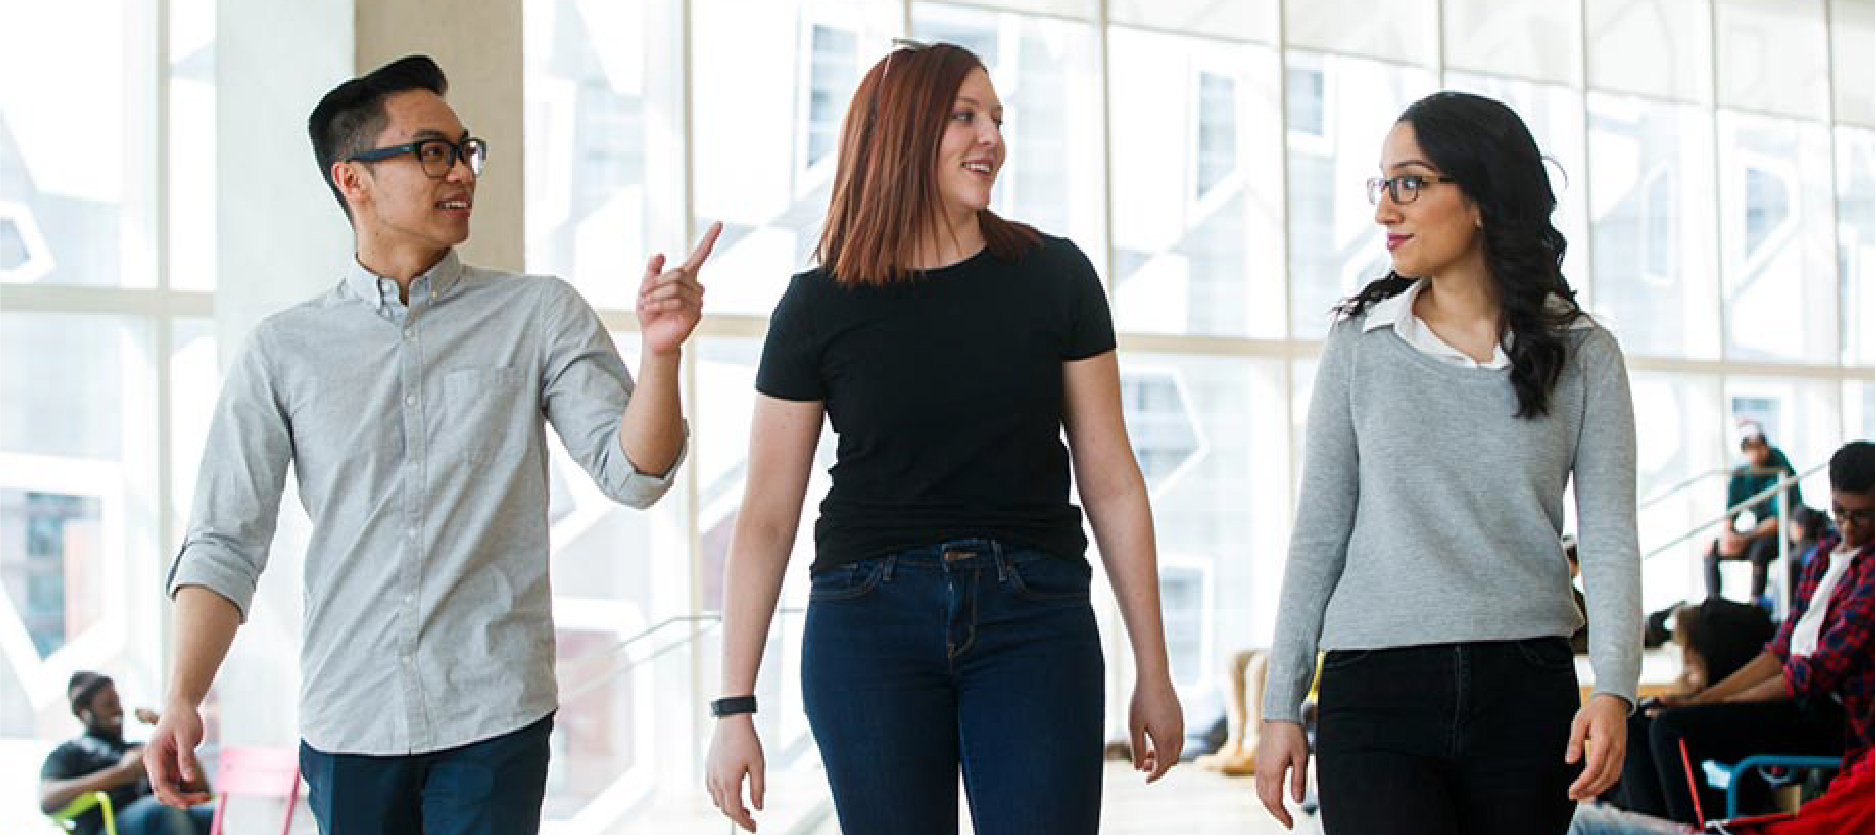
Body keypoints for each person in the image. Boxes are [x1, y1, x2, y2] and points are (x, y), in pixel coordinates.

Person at [144, 55, 718, 833]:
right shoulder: (283, 351)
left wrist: (661, 354)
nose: (462, 172)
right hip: (349, 717)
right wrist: (182, 692)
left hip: (493, 713)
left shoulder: (538, 314)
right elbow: (224, 540)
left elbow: (636, 473)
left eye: (464, 150)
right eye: (432, 152)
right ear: (355, 180)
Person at [701, 41, 1182, 835]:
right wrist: (733, 706)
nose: (990, 135)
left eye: (996, 117)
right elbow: (765, 515)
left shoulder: (1056, 276)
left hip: (1036, 618)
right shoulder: (816, 305)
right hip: (867, 624)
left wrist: (1154, 671)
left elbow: (1113, 480)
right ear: (900, 131)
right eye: (964, 115)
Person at [1252, 91, 1642, 835]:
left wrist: (1615, 689)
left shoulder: (1587, 355)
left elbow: (1611, 537)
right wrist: (1281, 705)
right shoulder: (1360, 345)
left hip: (1527, 695)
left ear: (1484, 198)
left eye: (1410, 182)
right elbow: (1319, 532)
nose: (1385, 210)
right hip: (1374, 692)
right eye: (1383, 184)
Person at [1618, 440, 1872, 825]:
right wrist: (1701, 698)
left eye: (1863, 516)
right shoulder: (1824, 554)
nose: (1848, 527)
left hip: (1831, 717)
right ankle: (1655, 830)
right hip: (1791, 701)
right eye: (1840, 513)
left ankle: (1691, 832)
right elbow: (1779, 651)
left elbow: (1811, 673)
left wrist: (1710, 704)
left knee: (1672, 731)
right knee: (1637, 720)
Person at [41, 672, 214, 835]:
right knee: (163, 812)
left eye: (118, 703)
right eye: (108, 705)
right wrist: (122, 773)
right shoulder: (70, 753)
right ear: (84, 713)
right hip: (108, 826)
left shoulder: (137, 749)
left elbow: (200, 790)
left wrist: (165, 727)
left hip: (161, 813)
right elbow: (47, 798)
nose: (118, 711)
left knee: (217, 815)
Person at [1705, 425, 1802, 604]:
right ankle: (1713, 603)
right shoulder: (1743, 473)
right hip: (1754, 533)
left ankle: (1755, 603)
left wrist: (1744, 537)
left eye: (1758, 448)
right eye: (1749, 449)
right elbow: (1731, 510)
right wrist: (1728, 534)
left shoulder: (1779, 469)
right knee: (1711, 550)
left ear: (1766, 447)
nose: (1755, 454)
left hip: (1780, 534)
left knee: (1760, 551)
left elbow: (1778, 520)